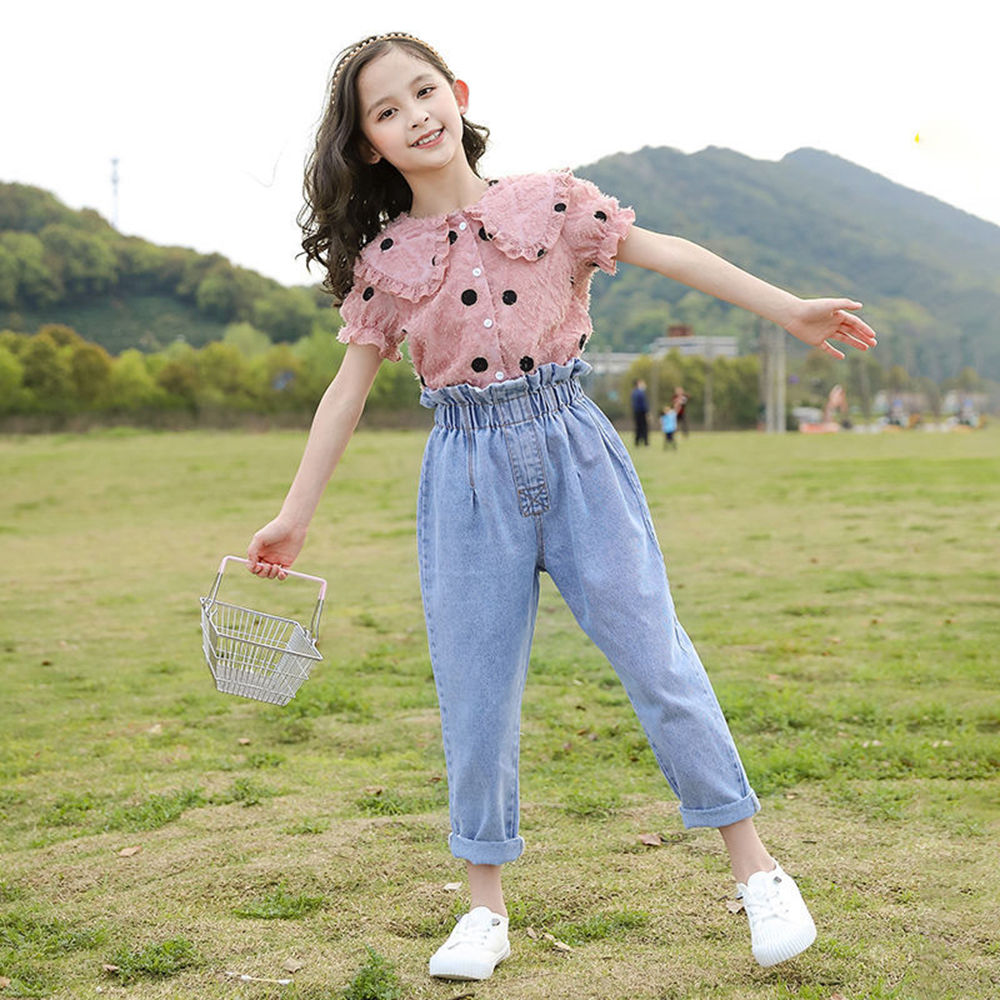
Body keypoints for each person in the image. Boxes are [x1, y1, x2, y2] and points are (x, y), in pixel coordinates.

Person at [246, 33, 877, 983]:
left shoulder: (549, 200)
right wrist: (294, 515)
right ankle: (482, 911)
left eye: (424, 91)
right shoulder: (385, 259)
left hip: (576, 450)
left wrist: (787, 308)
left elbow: (665, 252)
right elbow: (346, 390)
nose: (415, 114)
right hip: (464, 475)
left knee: (658, 657)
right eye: (387, 110)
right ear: (369, 144)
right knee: (476, 691)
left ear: (457, 94)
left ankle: (758, 873)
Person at [631, 378, 650, 445]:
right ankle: (645, 442)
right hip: (642, 412)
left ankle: (637, 441)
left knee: (638, 427)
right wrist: (647, 412)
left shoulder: (633, 392)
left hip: (636, 412)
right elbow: (643, 404)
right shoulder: (640, 392)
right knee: (644, 427)